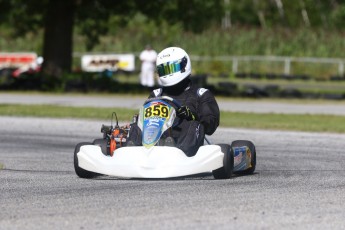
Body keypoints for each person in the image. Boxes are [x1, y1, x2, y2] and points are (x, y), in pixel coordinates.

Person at [128, 47, 220, 156]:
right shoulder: (157, 94)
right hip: (155, 136)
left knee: (194, 125)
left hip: (184, 141)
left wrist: (192, 116)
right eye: (164, 70)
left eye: (172, 68)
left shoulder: (201, 94)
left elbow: (210, 126)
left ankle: (176, 151)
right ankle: (131, 150)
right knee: (135, 125)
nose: (168, 74)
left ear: (184, 65)